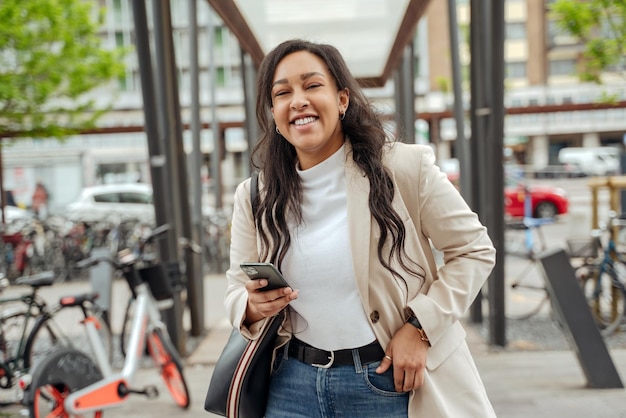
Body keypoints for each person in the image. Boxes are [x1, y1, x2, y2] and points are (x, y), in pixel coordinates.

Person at [225, 39, 497, 417]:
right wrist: (252, 306)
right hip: (291, 387)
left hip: (386, 380)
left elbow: (474, 249)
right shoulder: (255, 196)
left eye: (312, 85)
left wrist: (420, 328)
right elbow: (236, 289)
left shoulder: (403, 168)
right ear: (274, 112)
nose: (298, 100)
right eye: (282, 92)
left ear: (342, 99)